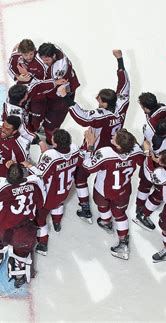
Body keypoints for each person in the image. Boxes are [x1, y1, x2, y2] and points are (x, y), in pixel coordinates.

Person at [57, 49, 130, 222]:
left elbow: (82, 117)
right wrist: (120, 61)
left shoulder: (99, 115)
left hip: (96, 149)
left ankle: (85, 208)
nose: (97, 101)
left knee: (81, 175)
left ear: (105, 103)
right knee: (105, 176)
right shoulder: (122, 103)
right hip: (114, 147)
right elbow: (125, 83)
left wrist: (65, 97)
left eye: (99, 100)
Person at [0, 163, 46, 288]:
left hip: (2, 228)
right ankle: (18, 272)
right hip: (24, 228)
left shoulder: (0, 186)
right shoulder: (34, 184)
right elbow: (40, 203)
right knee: (22, 250)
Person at [82, 128, 144, 260]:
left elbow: (88, 166)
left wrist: (90, 145)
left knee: (102, 206)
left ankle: (106, 222)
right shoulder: (136, 150)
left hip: (103, 190)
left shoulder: (105, 153)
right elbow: (142, 161)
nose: (113, 135)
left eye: (115, 137)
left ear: (118, 145)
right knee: (121, 216)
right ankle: (123, 244)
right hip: (123, 192)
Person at [22, 129, 82, 256]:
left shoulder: (51, 156)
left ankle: (43, 243)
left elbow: (39, 175)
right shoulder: (74, 148)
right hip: (65, 191)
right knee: (59, 204)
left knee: (40, 219)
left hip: (49, 195)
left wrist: (29, 165)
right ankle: (57, 222)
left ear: (55, 144)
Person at [133, 92, 166, 230]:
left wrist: (147, 152)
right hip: (160, 163)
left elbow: (147, 143)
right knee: (158, 190)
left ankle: (139, 208)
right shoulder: (162, 110)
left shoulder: (150, 130)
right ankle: (142, 210)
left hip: (153, 162)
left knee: (145, 184)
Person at [37, 43, 80, 144]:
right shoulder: (54, 49)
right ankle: (46, 127)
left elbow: (51, 86)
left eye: (47, 60)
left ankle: (51, 142)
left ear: (54, 56)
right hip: (61, 87)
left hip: (63, 92)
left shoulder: (59, 69)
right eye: (43, 59)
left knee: (53, 121)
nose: (44, 62)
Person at [8, 39, 48, 132]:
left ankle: (35, 128)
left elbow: (47, 79)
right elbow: (9, 68)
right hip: (22, 89)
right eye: (25, 55)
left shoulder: (41, 60)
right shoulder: (15, 56)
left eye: (31, 53)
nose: (29, 57)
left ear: (34, 50)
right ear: (21, 53)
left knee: (37, 112)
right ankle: (22, 127)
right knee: (18, 108)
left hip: (37, 90)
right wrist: (18, 77)